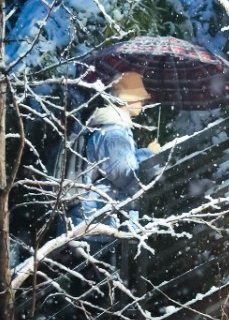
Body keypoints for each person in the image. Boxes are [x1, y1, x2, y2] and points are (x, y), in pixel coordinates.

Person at [63, 70, 162, 245]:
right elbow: (126, 177)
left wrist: (144, 152)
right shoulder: (114, 134)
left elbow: (117, 166)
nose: (144, 102)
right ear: (128, 99)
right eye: (140, 97)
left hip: (93, 221)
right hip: (95, 227)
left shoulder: (112, 129)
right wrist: (149, 155)